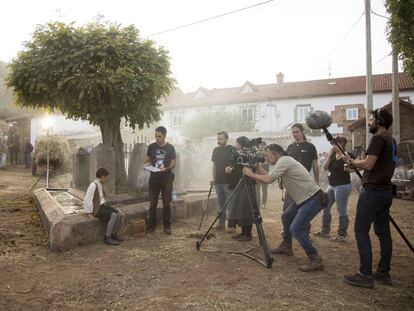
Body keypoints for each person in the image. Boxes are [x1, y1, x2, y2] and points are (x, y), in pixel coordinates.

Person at [243, 143, 325, 272]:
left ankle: (315, 258)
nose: (266, 158)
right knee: (286, 216)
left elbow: (268, 179)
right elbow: (269, 176)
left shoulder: (284, 160)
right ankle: (287, 246)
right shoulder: (282, 161)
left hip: (312, 198)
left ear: (275, 154)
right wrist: (256, 166)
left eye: (267, 155)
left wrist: (250, 174)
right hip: (304, 199)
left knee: (296, 229)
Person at [342, 108, 396, 288]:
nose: (369, 122)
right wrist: (354, 165)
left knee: (360, 231)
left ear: (380, 121)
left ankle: (365, 275)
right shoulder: (391, 140)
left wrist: (352, 162)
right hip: (385, 191)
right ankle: (383, 273)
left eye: (371, 119)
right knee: (383, 234)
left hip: (372, 192)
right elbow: (374, 165)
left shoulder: (378, 139)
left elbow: (368, 163)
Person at [314, 136, 353, 241]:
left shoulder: (346, 155)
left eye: (335, 144)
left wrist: (348, 165)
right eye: (332, 144)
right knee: (325, 206)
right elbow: (325, 168)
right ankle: (325, 231)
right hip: (331, 185)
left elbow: (352, 169)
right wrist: (330, 155)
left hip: (342, 186)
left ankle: (341, 234)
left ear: (342, 144)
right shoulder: (332, 155)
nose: (333, 146)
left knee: (342, 210)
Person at [145, 126, 176, 234]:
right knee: (152, 204)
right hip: (154, 179)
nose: (157, 138)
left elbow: (173, 163)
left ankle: (167, 227)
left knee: (166, 203)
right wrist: (147, 165)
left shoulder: (170, 148)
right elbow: (147, 160)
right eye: (155, 136)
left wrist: (166, 169)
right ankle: (151, 226)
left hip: (166, 179)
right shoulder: (151, 147)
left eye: (159, 136)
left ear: (164, 136)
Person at [225, 136, 256, 241]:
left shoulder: (248, 155)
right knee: (240, 208)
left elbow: (246, 171)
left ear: (240, 144)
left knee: (246, 209)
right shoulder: (239, 154)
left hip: (247, 184)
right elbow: (239, 168)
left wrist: (231, 170)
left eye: (236, 142)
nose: (235, 144)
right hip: (239, 184)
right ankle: (243, 232)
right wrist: (232, 168)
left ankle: (247, 234)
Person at [283, 123, 319, 211]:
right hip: (291, 183)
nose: (295, 134)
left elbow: (315, 165)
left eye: (297, 132)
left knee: (303, 210)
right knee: (287, 210)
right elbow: (285, 164)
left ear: (302, 132)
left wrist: (317, 181)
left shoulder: (310, 147)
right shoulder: (290, 147)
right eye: (293, 133)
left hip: (305, 183)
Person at [84, 168, 123, 246]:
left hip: (103, 206)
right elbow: (87, 199)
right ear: (102, 177)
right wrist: (89, 213)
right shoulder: (93, 185)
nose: (107, 179)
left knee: (119, 214)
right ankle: (107, 237)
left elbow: (101, 198)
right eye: (106, 177)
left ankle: (113, 235)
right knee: (114, 215)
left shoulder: (100, 184)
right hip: (97, 209)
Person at [211, 131, 236, 231]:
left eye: (221, 139)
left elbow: (236, 165)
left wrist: (231, 168)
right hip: (218, 181)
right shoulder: (216, 150)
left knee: (230, 203)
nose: (219, 141)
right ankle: (221, 223)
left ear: (226, 139)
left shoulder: (232, 150)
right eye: (218, 139)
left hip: (229, 181)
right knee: (221, 203)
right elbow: (214, 165)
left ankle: (231, 225)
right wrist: (213, 179)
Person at [257, 141, 269, 209]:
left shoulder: (266, 154)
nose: (260, 147)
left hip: (265, 174)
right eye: (259, 145)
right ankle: (258, 203)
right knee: (257, 190)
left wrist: (259, 164)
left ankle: (263, 203)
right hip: (257, 175)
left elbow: (268, 162)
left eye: (261, 145)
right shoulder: (256, 154)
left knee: (264, 189)